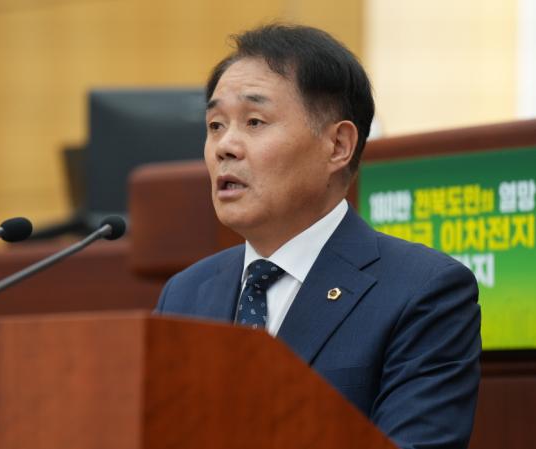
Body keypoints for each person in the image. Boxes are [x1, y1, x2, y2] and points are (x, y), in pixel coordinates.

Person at [156, 24, 481, 449]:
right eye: (215, 125)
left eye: (254, 122)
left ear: (338, 145)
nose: (224, 147)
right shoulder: (184, 295)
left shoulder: (423, 291)